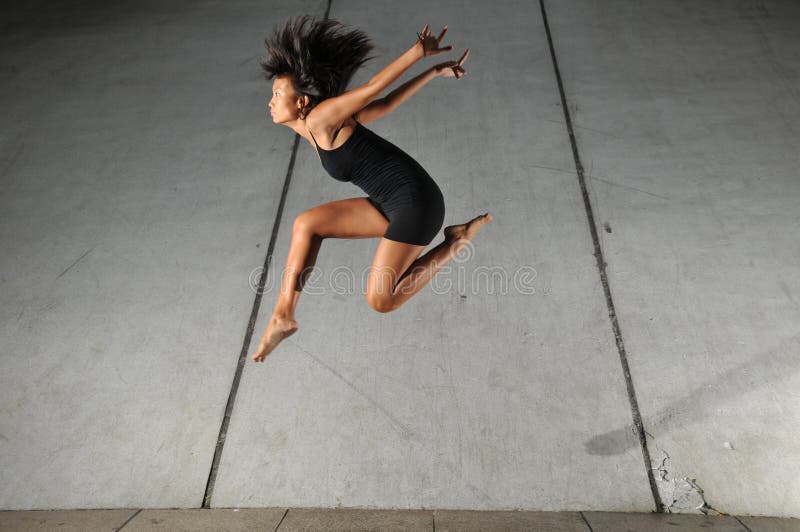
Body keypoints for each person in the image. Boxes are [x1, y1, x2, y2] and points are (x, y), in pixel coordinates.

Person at [252, 16, 492, 363]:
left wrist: (417, 54)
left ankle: (455, 243)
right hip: (391, 202)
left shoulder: (322, 118)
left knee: (381, 300)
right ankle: (282, 315)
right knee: (306, 224)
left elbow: (373, 88)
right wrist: (432, 72)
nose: (270, 101)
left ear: (302, 102)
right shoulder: (319, 126)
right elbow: (386, 104)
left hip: (416, 203)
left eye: (277, 94)